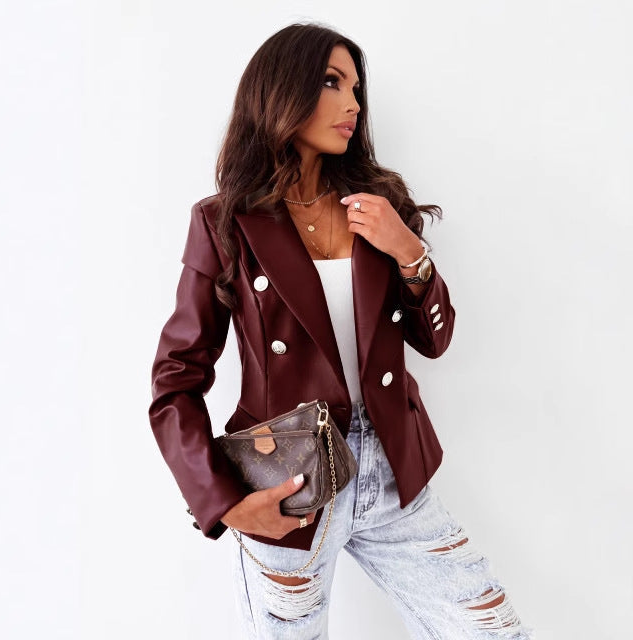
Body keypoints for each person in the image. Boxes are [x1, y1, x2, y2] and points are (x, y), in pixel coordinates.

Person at [149, 22, 534, 640]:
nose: (353, 103)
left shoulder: (378, 207)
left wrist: (409, 251)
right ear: (283, 90)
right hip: (288, 481)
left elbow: (434, 341)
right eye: (332, 82)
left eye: (356, 88)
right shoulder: (225, 222)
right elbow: (176, 377)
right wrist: (223, 502)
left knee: (492, 628)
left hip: (395, 472)